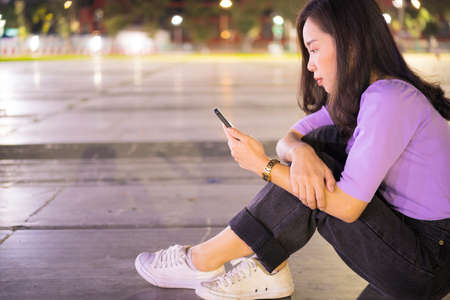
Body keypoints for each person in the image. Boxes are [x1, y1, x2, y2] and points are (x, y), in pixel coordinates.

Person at [134, 0, 450, 299]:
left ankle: (206, 261)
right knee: (317, 152)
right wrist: (301, 155)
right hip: (412, 240)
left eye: (314, 50)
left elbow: (347, 208)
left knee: (314, 183)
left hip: (427, 263)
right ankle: (264, 266)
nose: (310, 65)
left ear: (349, 42)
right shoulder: (365, 95)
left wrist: (264, 167)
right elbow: (292, 137)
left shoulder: (389, 99)